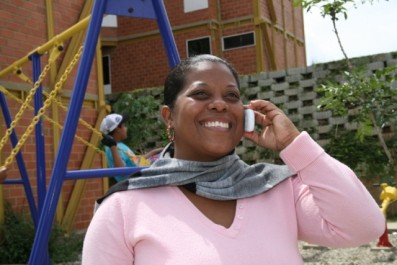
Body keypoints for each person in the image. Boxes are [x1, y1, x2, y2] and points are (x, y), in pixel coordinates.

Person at [83, 54, 385, 264]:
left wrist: (295, 145)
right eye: (200, 94)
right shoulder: (124, 208)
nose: (219, 104)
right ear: (169, 117)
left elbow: (365, 226)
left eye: (231, 96)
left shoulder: (277, 189)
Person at [100, 113, 162, 183]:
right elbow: (120, 171)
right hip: (136, 180)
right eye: (124, 126)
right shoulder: (113, 149)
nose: (126, 128)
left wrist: (154, 152)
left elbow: (135, 162)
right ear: (118, 129)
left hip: (141, 170)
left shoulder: (120, 146)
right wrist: (113, 147)